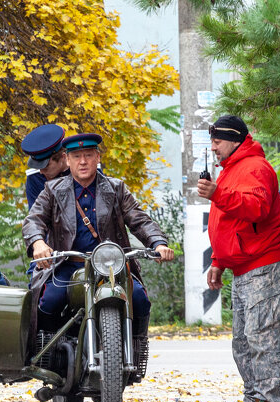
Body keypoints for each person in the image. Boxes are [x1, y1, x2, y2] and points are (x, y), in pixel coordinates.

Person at [24, 133, 175, 337]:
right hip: (68, 264)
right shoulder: (52, 189)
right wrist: (38, 243)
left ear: (98, 157)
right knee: (50, 299)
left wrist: (158, 243)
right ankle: (49, 352)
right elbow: (34, 219)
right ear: (68, 160)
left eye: (88, 155)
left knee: (139, 299)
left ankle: (137, 348)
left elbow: (139, 219)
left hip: (111, 265)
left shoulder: (116, 188)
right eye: (76, 156)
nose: (83, 161)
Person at [197, 115, 280, 402]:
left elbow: (257, 209)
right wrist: (218, 261)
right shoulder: (232, 170)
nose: (213, 148)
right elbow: (231, 224)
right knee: (242, 341)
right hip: (244, 266)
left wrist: (216, 194)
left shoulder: (256, 168)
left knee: (262, 337)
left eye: (217, 141)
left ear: (235, 140)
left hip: (265, 265)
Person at [21, 123, 69, 210]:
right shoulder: (35, 178)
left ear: (63, 157)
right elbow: (35, 216)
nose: (41, 172)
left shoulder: (84, 171)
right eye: (39, 167)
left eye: (46, 167)